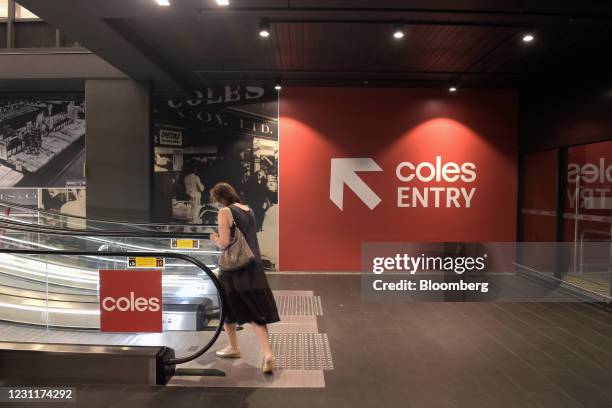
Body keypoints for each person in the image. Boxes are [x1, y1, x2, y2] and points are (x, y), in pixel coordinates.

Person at [209, 182, 280, 374]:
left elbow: (224, 243)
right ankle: (268, 354)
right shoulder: (248, 209)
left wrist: (213, 238)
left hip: (234, 269)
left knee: (227, 307)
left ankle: (234, 347)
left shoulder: (225, 212)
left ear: (220, 198)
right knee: (257, 312)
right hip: (253, 267)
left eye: (216, 200)